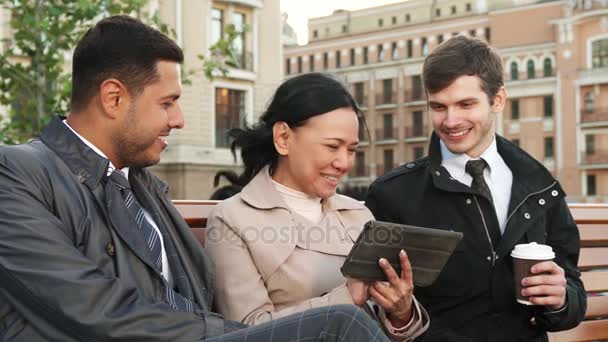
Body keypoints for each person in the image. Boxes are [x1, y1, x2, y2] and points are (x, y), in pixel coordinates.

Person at [0, 16, 393, 342]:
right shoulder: (17, 173)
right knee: (341, 324)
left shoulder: (143, 187)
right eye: (167, 103)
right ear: (113, 98)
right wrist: (225, 333)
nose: (179, 119)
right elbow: (89, 308)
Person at [365, 36, 586, 342]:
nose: (451, 121)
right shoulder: (392, 194)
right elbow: (373, 307)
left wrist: (561, 299)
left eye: (465, 104)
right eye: (439, 106)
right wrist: (401, 315)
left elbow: (573, 291)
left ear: (498, 100)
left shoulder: (538, 184)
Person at [205, 73, 429, 342]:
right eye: (332, 146)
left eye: (351, 150)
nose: (344, 163)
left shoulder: (358, 214)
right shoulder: (232, 220)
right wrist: (346, 297)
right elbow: (249, 333)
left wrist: (401, 312)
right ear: (284, 138)